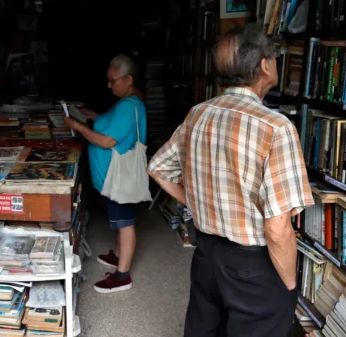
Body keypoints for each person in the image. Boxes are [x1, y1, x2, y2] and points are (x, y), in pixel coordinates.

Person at [147, 25, 313, 337]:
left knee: (205, 329)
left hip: (207, 254)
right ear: (264, 65)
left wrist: (196, 201)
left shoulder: (198, 113)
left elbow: (157, 169)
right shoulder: (276, 127)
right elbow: (278, 229)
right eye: (274, 58)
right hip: (254, 264)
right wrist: (289, 285)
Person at [63, 54, 147, 294]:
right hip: (114, 176)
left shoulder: (130, 105)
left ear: (128, 79)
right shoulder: (126, 101)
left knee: (125, 223)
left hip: (121, 176)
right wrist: (95, 118)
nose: (109, 85)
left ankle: (122, 275)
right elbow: (114, 126)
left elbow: (108, 140)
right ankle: (119, 256)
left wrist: (78, 126)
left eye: (113, 80)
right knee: (121, 220)